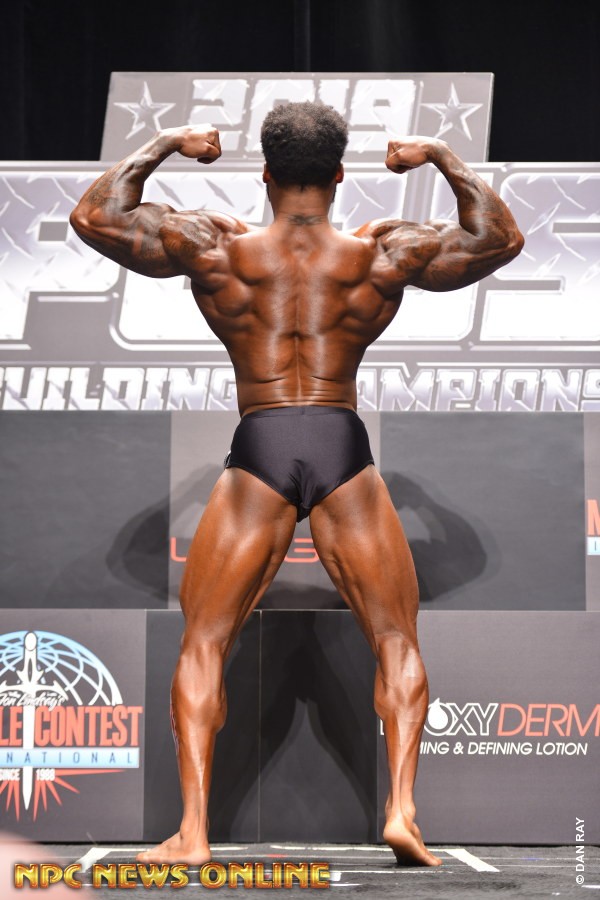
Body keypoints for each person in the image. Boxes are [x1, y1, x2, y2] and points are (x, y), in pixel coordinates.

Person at [70, 101, 523, 867]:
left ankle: (193, 833)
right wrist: (443, 157)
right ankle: (403, 811)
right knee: (394, 638)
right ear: (341, 174)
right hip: (341, 440)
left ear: (265, 173)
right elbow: (499, 239)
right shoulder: (382, 252)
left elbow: (94, 217)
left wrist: (167, 143)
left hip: (263, 440)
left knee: (205, 640)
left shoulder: (215, 246)